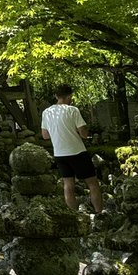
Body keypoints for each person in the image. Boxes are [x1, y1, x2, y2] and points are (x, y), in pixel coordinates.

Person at [41, 84, 102, 215]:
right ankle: (99, 213)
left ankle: (74, 216)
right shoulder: (72, 110)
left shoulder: (47, 112)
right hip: (77, 152)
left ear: (56, 96)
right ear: (69, 96)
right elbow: (83, 134)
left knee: (68, 185)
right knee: (92, 183)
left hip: (59, 154)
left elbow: (45, 135)